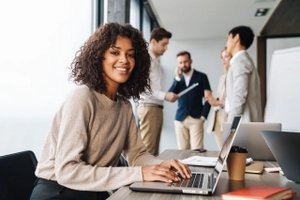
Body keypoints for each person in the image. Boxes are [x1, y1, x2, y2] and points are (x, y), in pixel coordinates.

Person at [30, 23, 191, 200]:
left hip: (94, 190)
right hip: (59, 192)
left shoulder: (124, 106)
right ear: (100, 57)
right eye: (115, 53)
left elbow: (137, 154)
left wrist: (161, 165)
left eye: (130, 54)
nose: (125, 60)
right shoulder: (82, 97)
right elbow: (67, 171)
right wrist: (140, 174)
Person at [138, 27, 178, 156]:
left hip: (155, 108)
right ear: (154, 42)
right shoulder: (147, 60)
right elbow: (142, 89)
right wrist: (165, 95)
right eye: (164, 44)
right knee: (148, 151)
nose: (166, 48)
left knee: (153, 150)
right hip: (150, 107)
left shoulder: (155, 60)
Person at [168, 51, 211, 152]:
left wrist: (203, 116)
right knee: (182, 151)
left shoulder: (201, 76)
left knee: (197, 151)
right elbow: (170, 95)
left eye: (185, 61)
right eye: (180, 63)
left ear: (190, 61)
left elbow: (208, 98)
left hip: (196, 118)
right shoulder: (178, 79)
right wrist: (177, 79)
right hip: (180, 119)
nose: (183, 65)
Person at [225, 25, 262, 122]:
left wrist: (231, 121)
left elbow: (240, 94)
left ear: (236, 38)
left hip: (243, 123)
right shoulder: (244, 60)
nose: (226, 43)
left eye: (228, 38)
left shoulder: (241, 62)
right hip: (245, 122)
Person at [206, 47, 232, 149]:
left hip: (227, 117)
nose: (223, 60)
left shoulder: (235, 76)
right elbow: (220, 98)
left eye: (226, 56)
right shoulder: (222, 77)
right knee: (222, 151)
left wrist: (219, 102)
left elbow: (235, 100)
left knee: (229, 151)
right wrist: (212, 100)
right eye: (222, 57)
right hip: (217, 118)